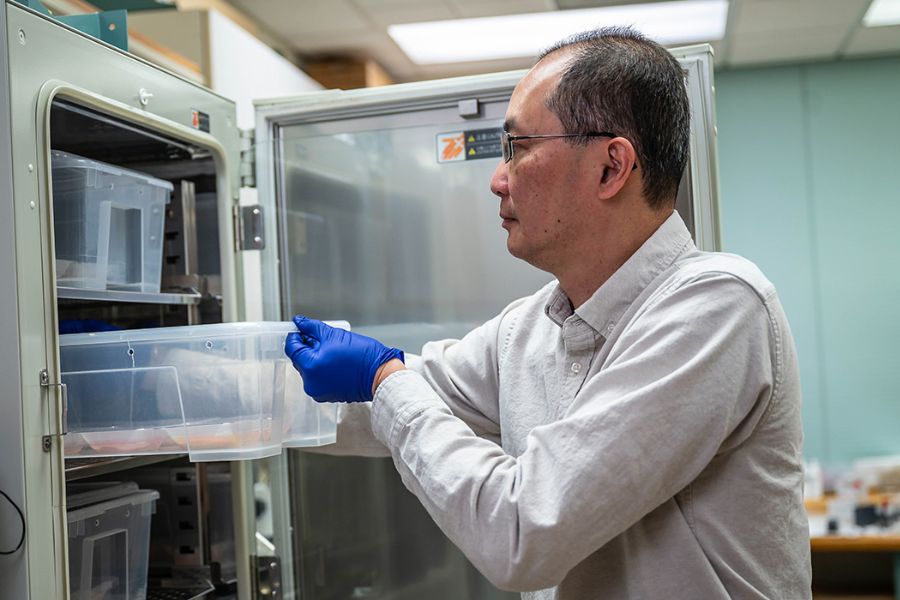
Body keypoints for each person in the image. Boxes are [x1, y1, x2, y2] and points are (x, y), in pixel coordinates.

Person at [285, 26, 811, 599]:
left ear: (611, 167)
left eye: (518, 147)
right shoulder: (529, 328)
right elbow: (388, 403)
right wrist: (214, 397)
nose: (496, 179)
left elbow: (522, 533)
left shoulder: (717, 306)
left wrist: (383, 378)